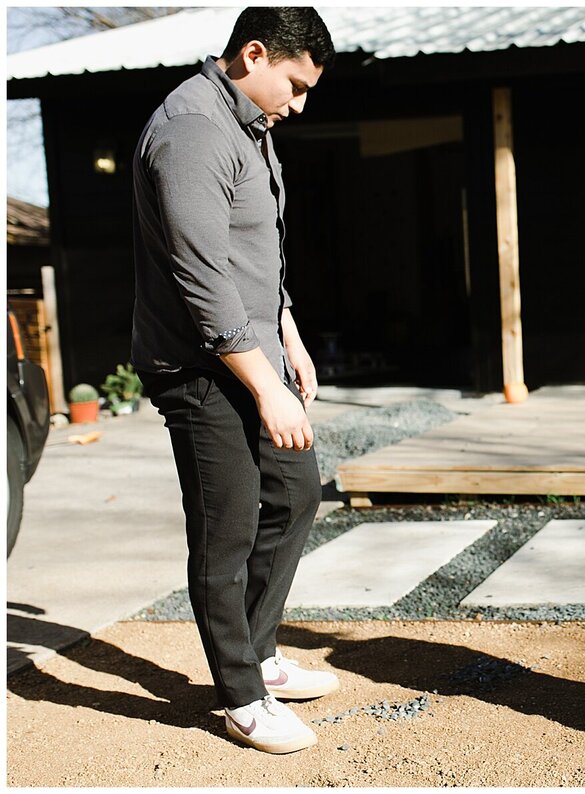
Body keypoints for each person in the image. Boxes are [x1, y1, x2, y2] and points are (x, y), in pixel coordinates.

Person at [131, 7, 338, 754]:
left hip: (257, 352)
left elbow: (258, 254)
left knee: (296, 492)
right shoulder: (191, 130)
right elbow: (203, 275)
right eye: (294, 83)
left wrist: (289, 333)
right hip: (198, 367)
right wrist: (265, 386)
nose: (298, 102)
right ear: (253, 54)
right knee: (229, 527)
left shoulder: (250, 128)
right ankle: (241, 697)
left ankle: (257, 653)